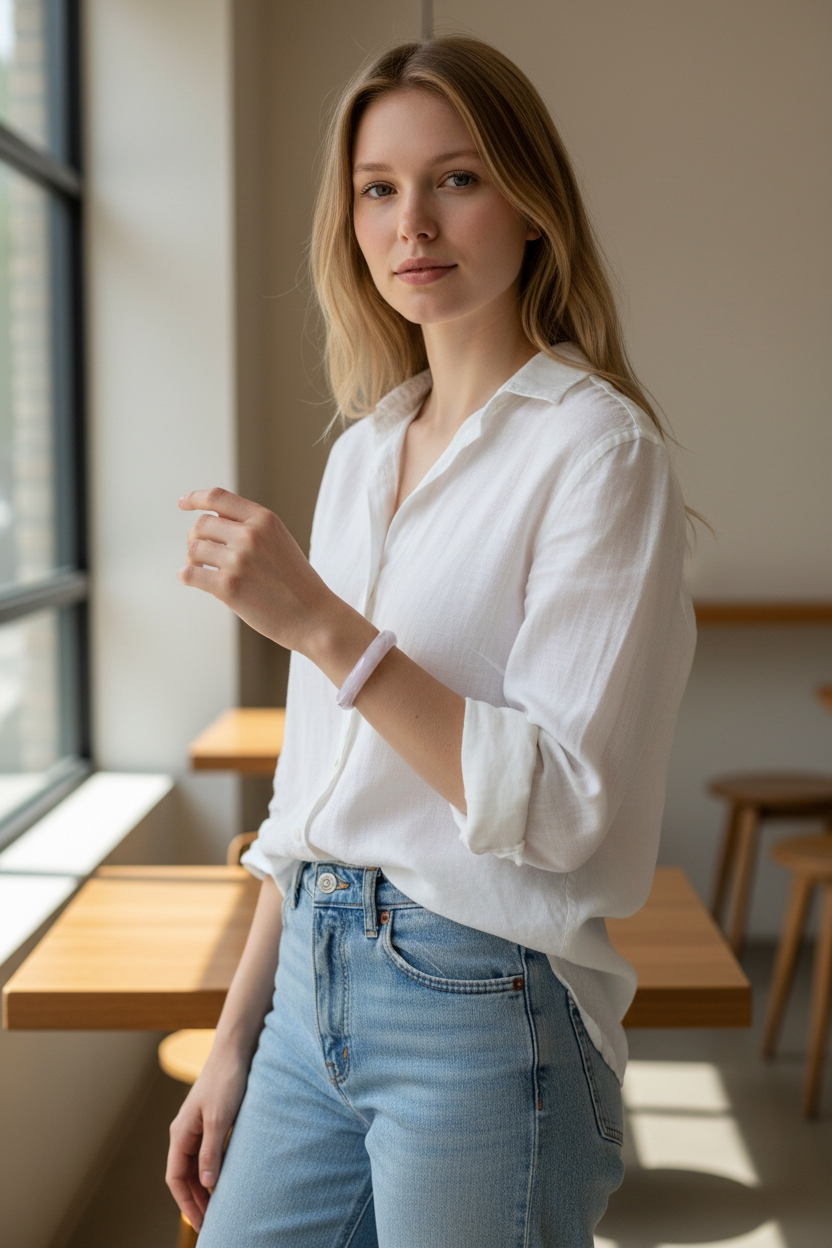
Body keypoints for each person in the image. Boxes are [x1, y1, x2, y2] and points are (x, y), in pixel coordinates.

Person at [167, 34, 696, 1248]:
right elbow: (310, 802)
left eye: (455, 178)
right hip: (309, 974)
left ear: (531, 205)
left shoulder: (599, 453)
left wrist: (320, 626)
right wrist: (233, 1038)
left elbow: (562, 810)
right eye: (378, 187)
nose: (413, 221)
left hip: (484, 993)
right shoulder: (362, 453)